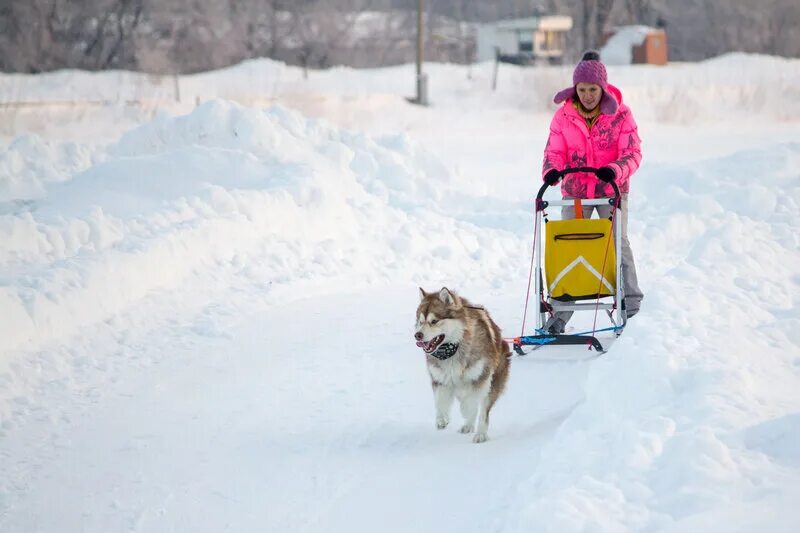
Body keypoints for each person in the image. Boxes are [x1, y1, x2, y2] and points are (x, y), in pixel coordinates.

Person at [541, 50, 644, 334]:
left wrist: (614, 169)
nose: (587, 95)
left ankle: (630, 304)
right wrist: (551, 171)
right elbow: (554, 151)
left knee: (617, 243)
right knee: (569, 246)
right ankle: (560, 314)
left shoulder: (620, 114)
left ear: (603, 88)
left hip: (611, 189)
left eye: (593, 89)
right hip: (576, 191)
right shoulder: (564, 115)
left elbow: (633, 153)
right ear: (575, 89)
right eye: (582, 89)